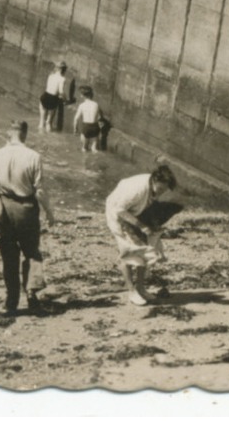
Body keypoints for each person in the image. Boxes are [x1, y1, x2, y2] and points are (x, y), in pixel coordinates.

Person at [0, 120, 56, 314]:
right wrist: (49, 213)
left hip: (4, 211)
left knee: (9, 256)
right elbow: (39, 191)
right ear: (25, 133)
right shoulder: (34, 156)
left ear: (9, 133)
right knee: (31, 252)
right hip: (26, 210)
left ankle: (11, 300)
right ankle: (32, 295)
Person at [105, 163, 179, 306]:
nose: (161, 193)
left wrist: (152, 224)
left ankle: (141, 288)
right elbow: (120, 210)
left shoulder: (153, 187)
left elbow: (148, 205)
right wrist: (141, 226)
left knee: (145, 249)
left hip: (134, 211)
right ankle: (131, 291)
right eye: (160, 189)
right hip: (117, 213)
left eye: (164, 190)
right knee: (128, 252)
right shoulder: (137, 189)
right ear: (154, 180)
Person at [39, 59, 72, 133]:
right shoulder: (62, 79)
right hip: (53, 99)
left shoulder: (50, 76)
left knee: (41, 122)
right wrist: (66, 100)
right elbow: (61, 92)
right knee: (48, 122)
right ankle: (48, 134)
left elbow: (49, 88)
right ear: (63, 70)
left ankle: (40, 134)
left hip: (45, 96)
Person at [72, 86, 105, 153]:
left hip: (86, 127)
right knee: (94, 149)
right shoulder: (96, 104)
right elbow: (101, 116)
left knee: (84, 148)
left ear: (82, 96)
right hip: (95, 127)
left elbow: (76, 119)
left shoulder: (82, 105)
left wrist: (75, 129)